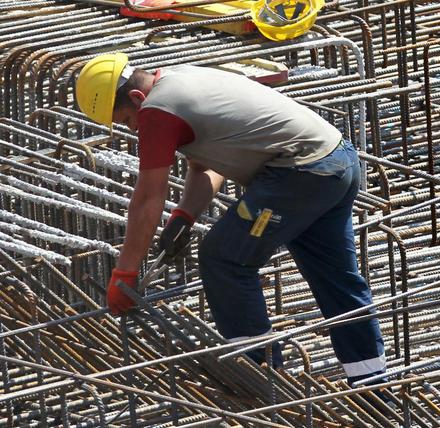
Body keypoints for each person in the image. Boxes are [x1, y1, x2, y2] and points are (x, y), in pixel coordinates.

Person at [75, 52, 386, 383]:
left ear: (137, 99)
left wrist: (125, 272)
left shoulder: (156, 111)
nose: (133, 129)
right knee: (336, 279)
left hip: (299, 174)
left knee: (223, 258)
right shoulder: (183, 75)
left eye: (126, 121)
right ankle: (372, 382)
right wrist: (183, 216)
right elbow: (206, 164)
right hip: (337, 162)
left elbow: (149, 196)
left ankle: (263, 378)